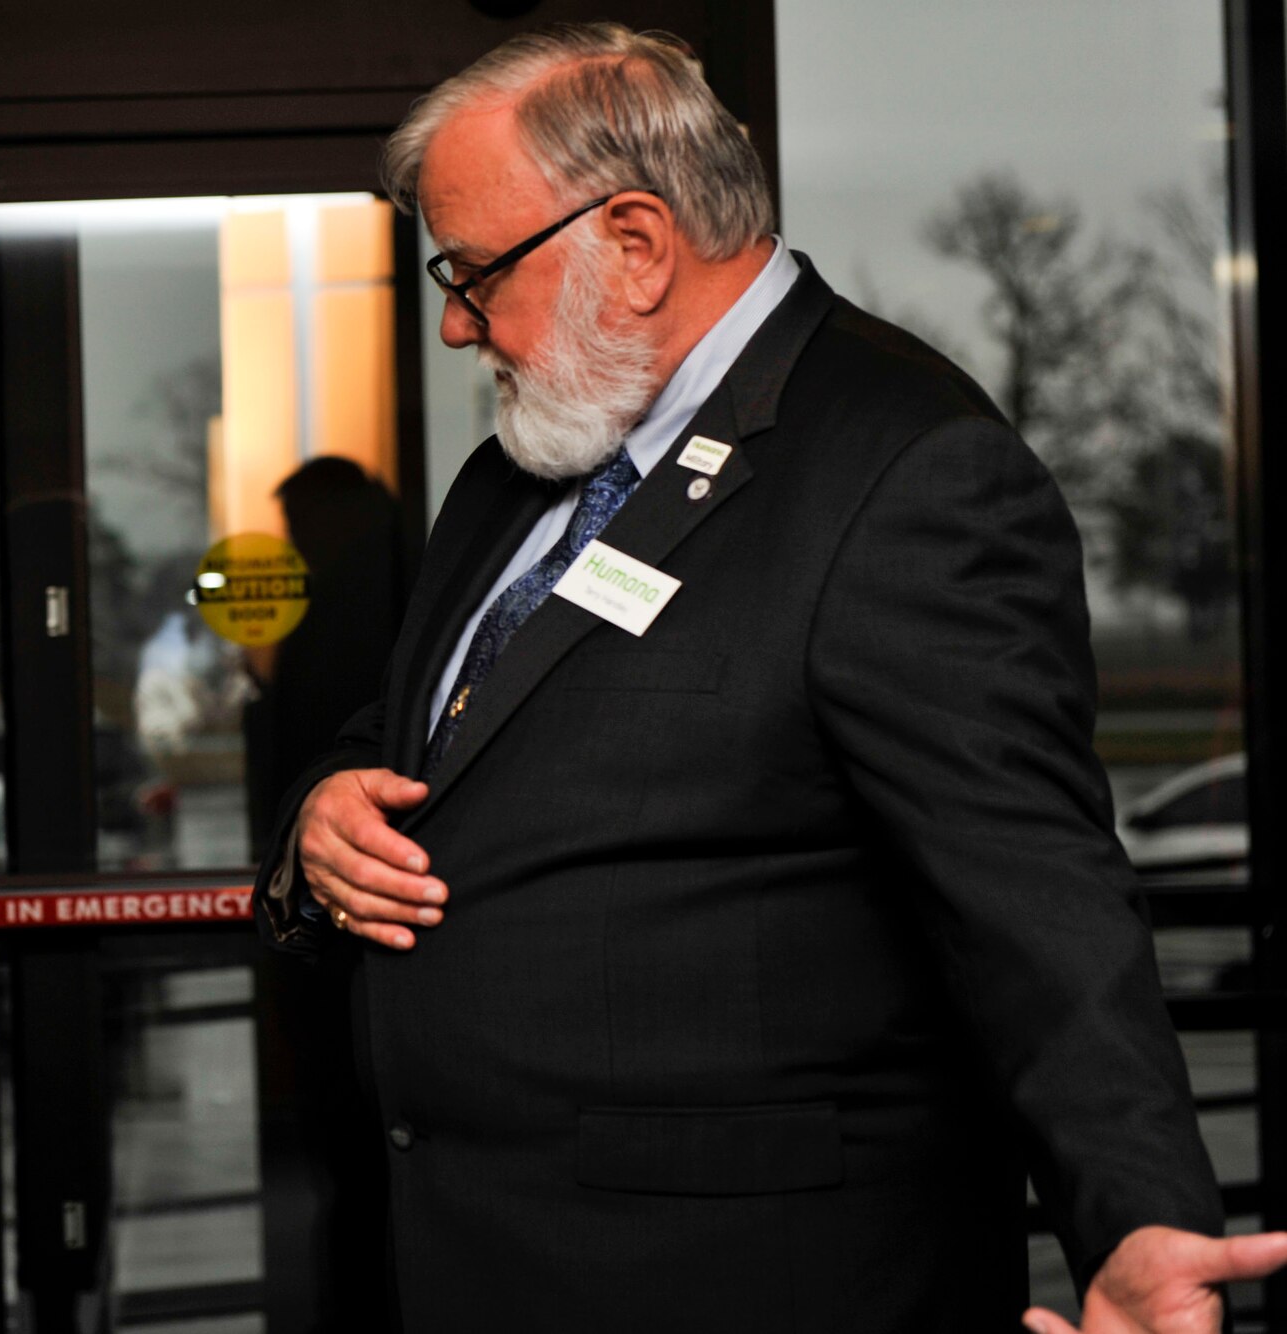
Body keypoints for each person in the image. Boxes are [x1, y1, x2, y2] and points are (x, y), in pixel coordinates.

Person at [254, 24, 1287, 1334]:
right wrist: (326, 804)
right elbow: (422, 722)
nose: (457, 324)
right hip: (476, 1255)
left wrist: (1139, 1216)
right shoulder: (522, 465)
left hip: (740, 1277)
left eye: (470, 273)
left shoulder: (903, 469)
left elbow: (1034, 897)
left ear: (631, 245)